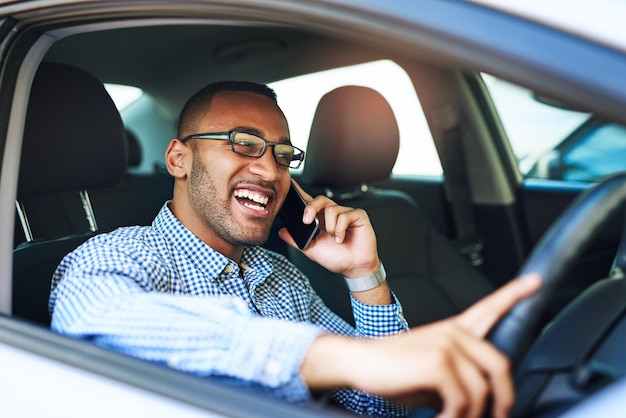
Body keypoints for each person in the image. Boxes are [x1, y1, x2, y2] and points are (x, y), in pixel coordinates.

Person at [49, 81, 541, 418]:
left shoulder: (282, 278)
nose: (269, 171)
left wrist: (363, 273)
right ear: (179, 158)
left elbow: (383, 406)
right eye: (243, 143)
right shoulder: (119, 254)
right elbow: (92, 320)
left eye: (283, 154)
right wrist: (340, 359)